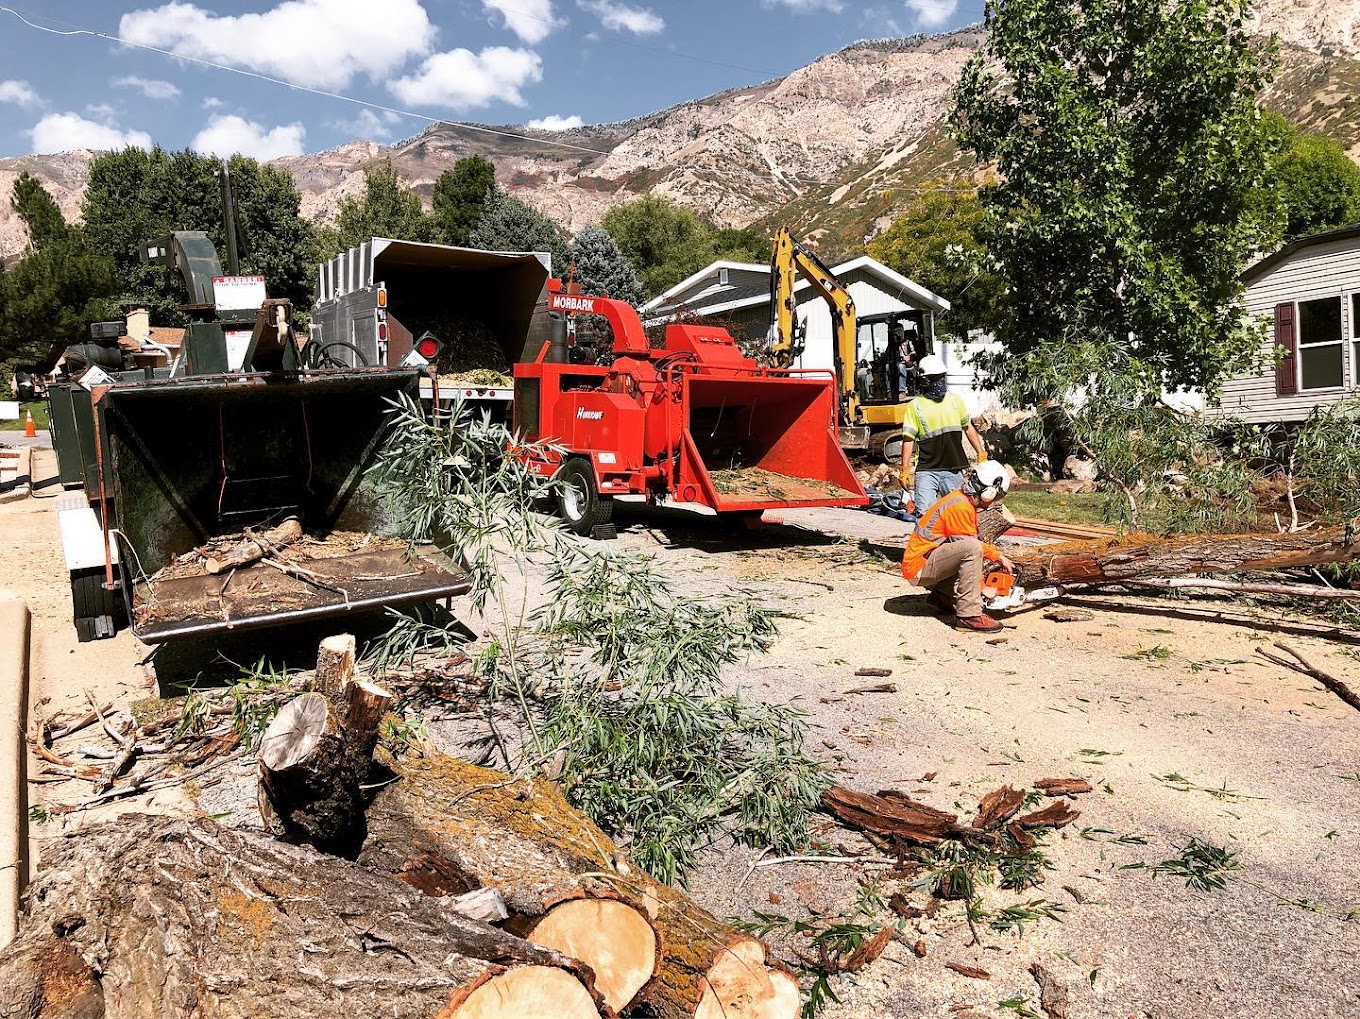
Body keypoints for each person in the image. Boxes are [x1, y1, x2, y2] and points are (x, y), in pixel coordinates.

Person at [900, 461, 1015, 633]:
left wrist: (998, 556)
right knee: (972, 548)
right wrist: (983, 588)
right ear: (989, 491)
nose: (994, 501)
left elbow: (961, 543)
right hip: (918, 567)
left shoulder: (961, 499)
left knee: (968, 547)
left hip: (924, 560)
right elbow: (971, 547)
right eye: (997, 496)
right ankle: (969, 616)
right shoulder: (960, 507)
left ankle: (941, 597)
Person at [897, 353, 988, 515]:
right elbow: (908, 440)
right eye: (935, 379)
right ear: (925, 381)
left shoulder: (955, 401)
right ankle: (926, 541)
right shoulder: (915, 406)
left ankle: (956, 541)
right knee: (925, 514)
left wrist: (981, 453)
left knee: (956, 513)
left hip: (954, 468)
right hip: (926, 470)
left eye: (941, 378)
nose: (939, 383)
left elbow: (968, 428)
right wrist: (904, 469)